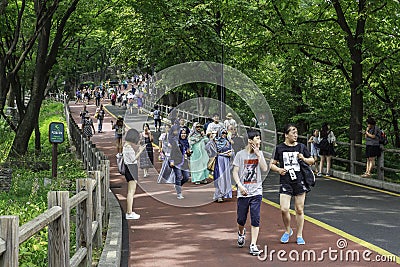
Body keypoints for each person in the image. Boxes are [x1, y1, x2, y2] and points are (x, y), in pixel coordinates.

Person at [269, 124, 314, 245]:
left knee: (299, 209)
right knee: (284, 209)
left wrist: (303, 158)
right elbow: (272, 164)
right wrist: (278, 170)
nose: (296, 135)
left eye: (296, 132)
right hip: (286, 181)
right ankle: (288, 230)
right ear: (286, 135)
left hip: (300, 181)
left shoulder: (301, 147)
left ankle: (299, 235)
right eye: (293, 133)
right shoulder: (279, 148)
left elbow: (312, 160)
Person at [232, 130, 268, 256]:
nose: (259, 141)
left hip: (256, 192)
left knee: (255, 218)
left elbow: (264, 168)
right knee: (241, 219)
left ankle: (253, 244)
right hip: (244, 192)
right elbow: (235, 172)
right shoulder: (240, 155)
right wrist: (240, 186)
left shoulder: (260, 153)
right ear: (250, 141)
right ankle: (241, 233)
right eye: (257, 138)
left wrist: (259, 155)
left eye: (259, 139)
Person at [123, 129, 147, 219]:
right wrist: (140, 150)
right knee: (131, 192)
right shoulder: (128, 147)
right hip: (131, 168)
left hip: (129, 168)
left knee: (131, 191)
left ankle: (129, 212)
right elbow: (133, 159)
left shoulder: (126, 146)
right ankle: (129, 212)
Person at [169, 127, 191, 199]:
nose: (183, 135)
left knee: (186, 177)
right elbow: (172, 152)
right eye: (182, 133)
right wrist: (171, 161)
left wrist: (189, 153)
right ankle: (179, 193)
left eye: (185, 133)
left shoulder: (187, 142)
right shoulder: (176, 142)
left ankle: (177, 185)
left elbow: (187, 153)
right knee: (178, 177)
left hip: (184, 162)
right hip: (176, 162)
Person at [213, 128, 233, 202]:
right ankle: (218, 195)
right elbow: (209, 150)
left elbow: (232, 151)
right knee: (219, 177)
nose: (224, 135)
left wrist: (230, 154)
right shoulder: (215, 141)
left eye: (225, 133)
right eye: (222, 133)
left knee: (225, 177)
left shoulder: (228, 142)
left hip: (226, 161)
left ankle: (222, 194)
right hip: (219, 160)